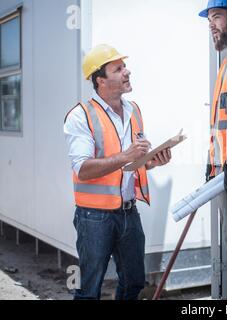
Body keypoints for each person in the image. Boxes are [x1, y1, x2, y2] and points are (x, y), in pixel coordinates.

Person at [64, 44, 171, 300]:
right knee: (89, 289)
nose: (127, 72)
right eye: (118, 69)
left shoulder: (134, 109)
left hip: (128, 213)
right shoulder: (81, 115)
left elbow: (132, 164)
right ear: (100, 80)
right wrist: (126, 155)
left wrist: (152, 161)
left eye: (125, 67)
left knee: (134, 283)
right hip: (94, 218)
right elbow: (82, 169)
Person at [199, 0, 227, 299]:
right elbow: (219, 125)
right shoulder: (224, 68)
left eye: (217, 16)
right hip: (222, 173)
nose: (211, 25)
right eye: (209, 19)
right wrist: (212, 162)